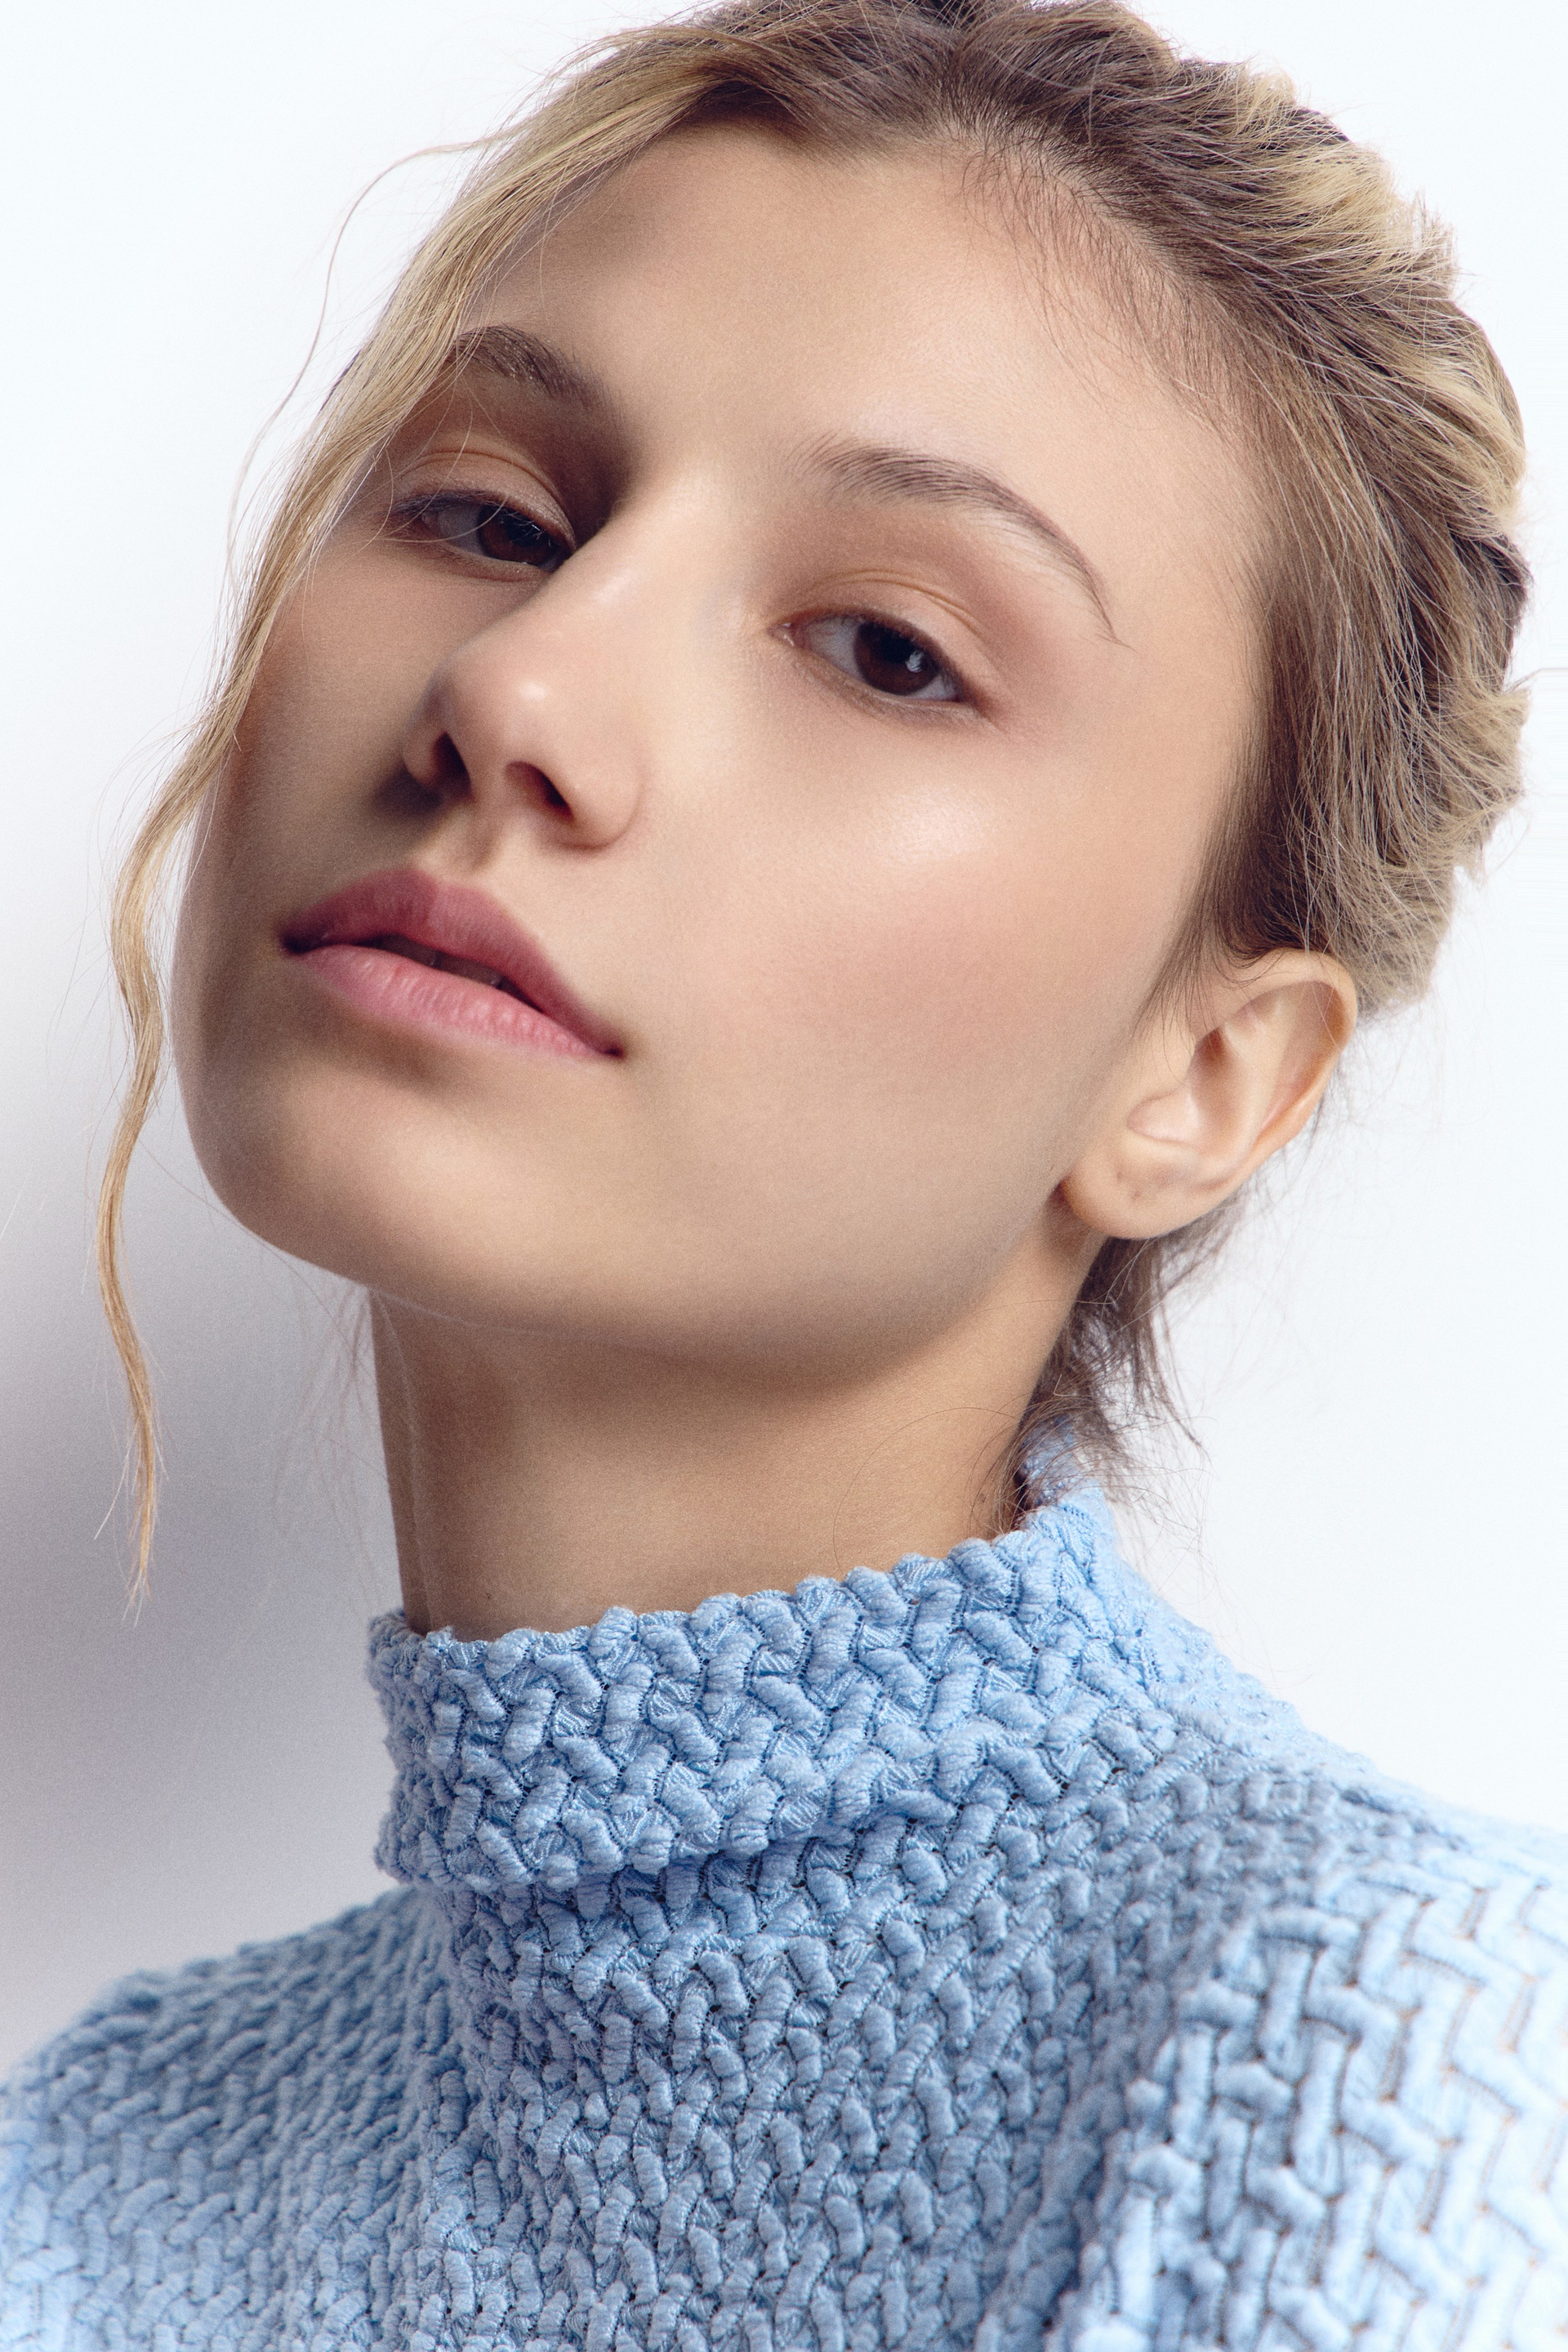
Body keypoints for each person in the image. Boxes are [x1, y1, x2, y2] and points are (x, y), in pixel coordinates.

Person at [3, 0, 1564, 2343]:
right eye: (489, 516)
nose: (519, 692)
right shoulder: (78, 2185)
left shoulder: (1408, 2072)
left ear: (1206, 1077)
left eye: (887, 652)